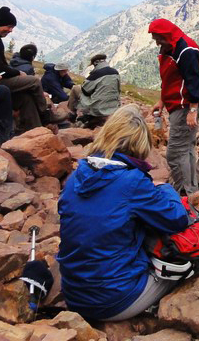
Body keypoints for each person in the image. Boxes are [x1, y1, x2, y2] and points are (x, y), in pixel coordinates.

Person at [57, 105, 189, 322]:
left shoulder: (77, 175)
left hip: (73, 295)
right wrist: (164, 188)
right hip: (112, 300)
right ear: (138, 146)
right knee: (188, 263)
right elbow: (176, 218)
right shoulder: (132, 182)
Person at [148, 19, 199, 196]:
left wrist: (193, 110)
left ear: (166, 35)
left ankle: (183, 193)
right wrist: (162, 100)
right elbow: (170, 79)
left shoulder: (186, 50)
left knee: (175, 153)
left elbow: (194, 81)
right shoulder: (169, 47)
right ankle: (190, 189)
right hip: (176, 104)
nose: (157, 42)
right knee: (187, 149)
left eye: (158, 38)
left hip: (184, 106)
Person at [0, 7, 51, 133]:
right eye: (9, 26)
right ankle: (45, 113)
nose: (10, 30)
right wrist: (18, 73)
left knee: (25, 98)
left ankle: (37, 130)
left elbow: (0, 65)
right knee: (34, 81)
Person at [69, 53, 121, 128]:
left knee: (75, 88)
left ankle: (72, 113)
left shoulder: (95, 75)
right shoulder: (115, 72)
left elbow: (85, 91)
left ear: (96, 63)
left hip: (97, 108)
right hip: (113, 107)